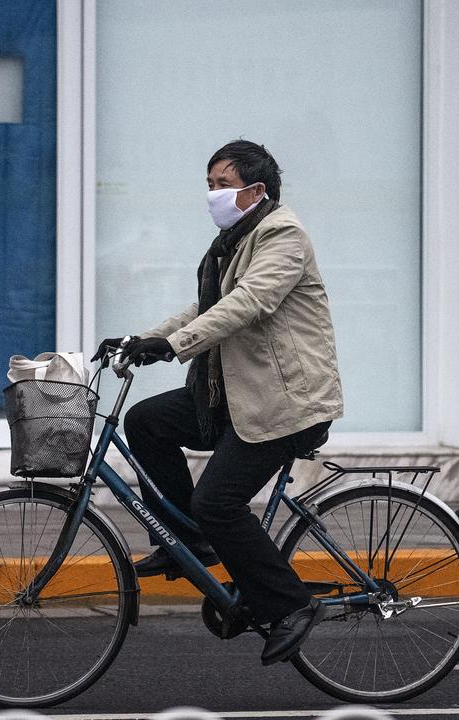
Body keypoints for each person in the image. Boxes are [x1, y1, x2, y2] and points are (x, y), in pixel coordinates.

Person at [92, 140, 344, 666]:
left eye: (222, 185)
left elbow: (249, 304)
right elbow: (205, 307)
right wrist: (142, 339)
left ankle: (291, 605)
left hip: (284, 403)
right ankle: (190, 543)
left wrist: (176, 346)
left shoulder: (282, 235)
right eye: (209, 185)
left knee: (218, 502)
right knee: (147, 422)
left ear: (257, 189)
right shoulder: (235, 240)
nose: (213, 195)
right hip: (233, 395)